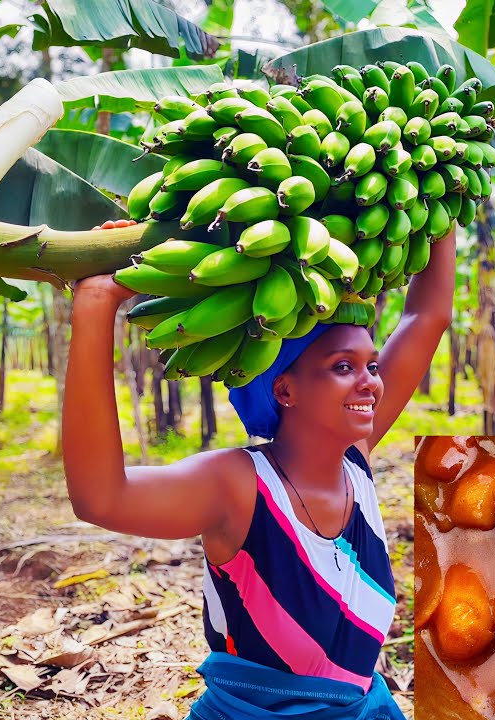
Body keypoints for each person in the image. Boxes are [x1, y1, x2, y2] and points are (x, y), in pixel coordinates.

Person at [61, 222, 455, 719]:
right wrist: (97, 303)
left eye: (372, 366)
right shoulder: (240, 485)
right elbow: (101, 498)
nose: (371, 384)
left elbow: (427, 315)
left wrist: (444, 188)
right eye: (342, 367)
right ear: (284, 390)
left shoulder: (355, 462)